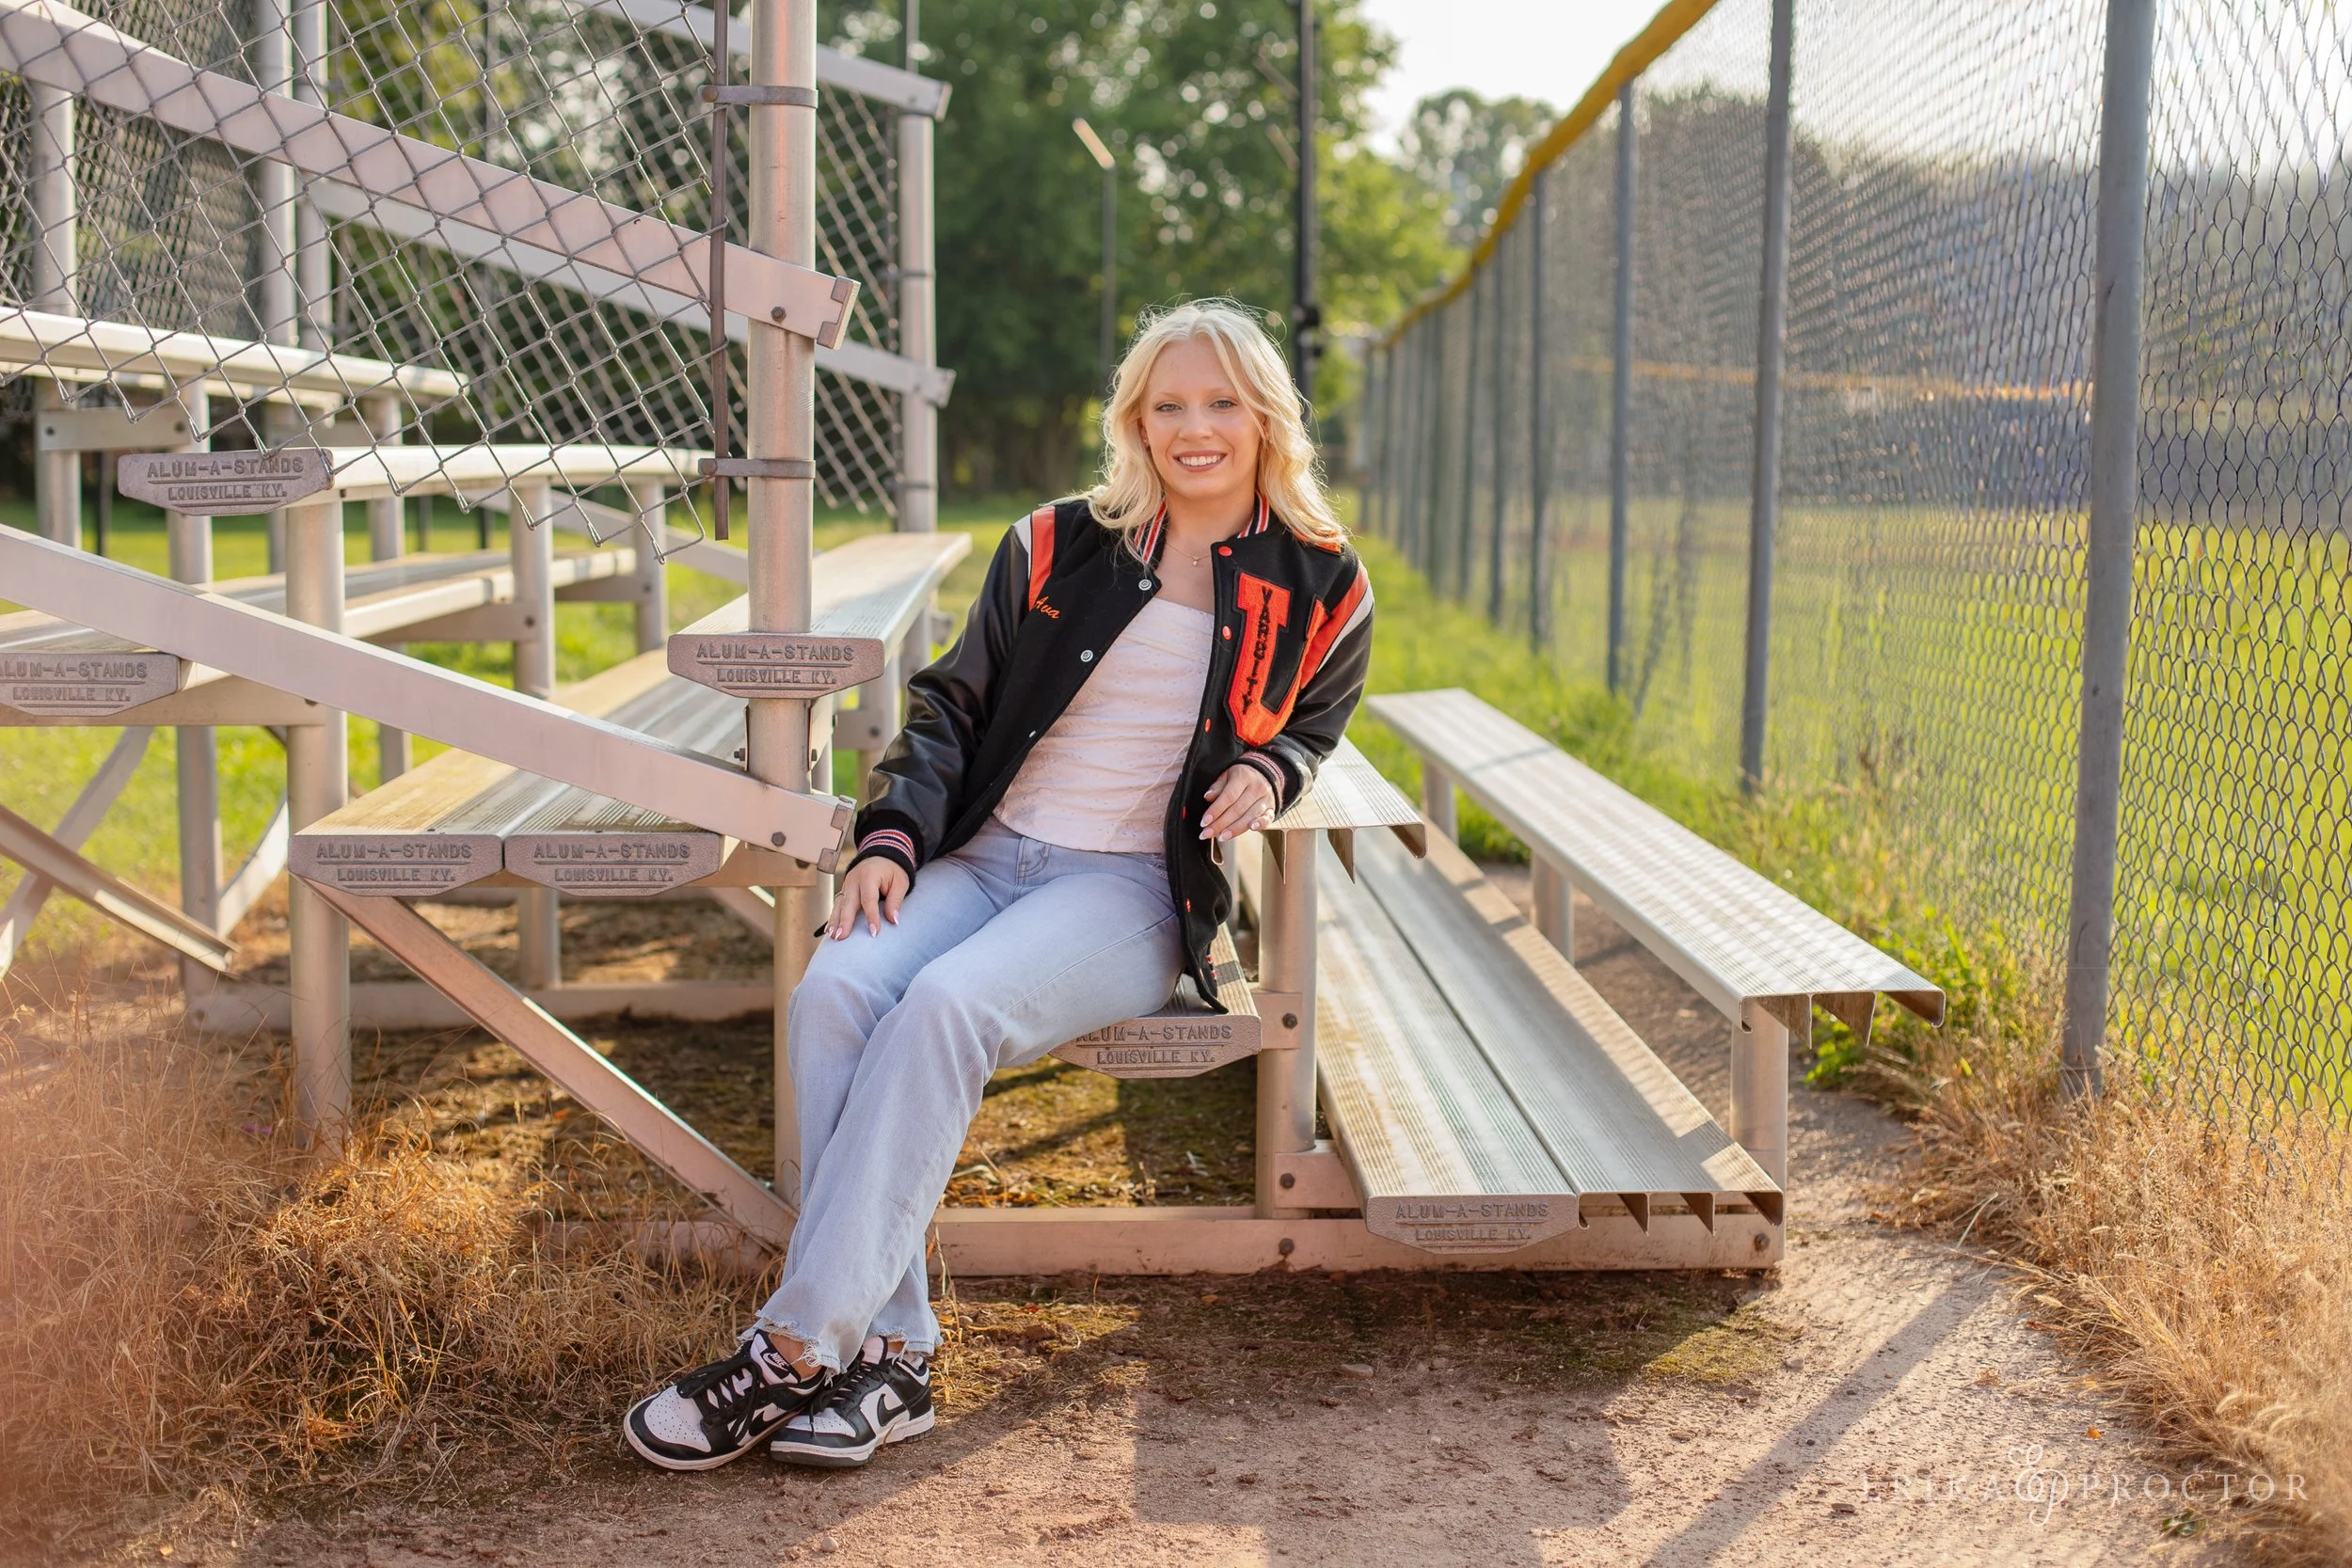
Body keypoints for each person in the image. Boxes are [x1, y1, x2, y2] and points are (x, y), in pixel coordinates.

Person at [623, 298, 1374, 1472]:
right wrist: (888, 840)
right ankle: (898, 1358)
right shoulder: (1054, 542)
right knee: (835, 991)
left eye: (1220, 401)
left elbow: (1316, 725)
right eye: (1167, 404)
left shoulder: (1323, 580)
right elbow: (950, 706)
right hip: (982, 852)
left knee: (946, 1008)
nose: (1195, 428)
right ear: (1134, 418)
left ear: (1265, 413)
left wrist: (1271, 772)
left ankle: (790, 1347)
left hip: (1126, 889)